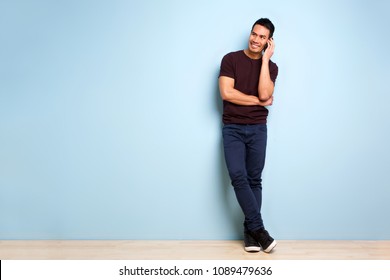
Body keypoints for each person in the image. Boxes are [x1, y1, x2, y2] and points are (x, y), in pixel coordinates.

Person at [218, 18, 278, 253]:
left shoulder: (271, 67)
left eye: (262, 37)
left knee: (254, 179)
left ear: (268, 41)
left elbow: (265, 91)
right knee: (238, 177)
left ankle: (250, 233)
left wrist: (265, 60)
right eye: (254, 34)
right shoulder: (230, 59)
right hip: (232, 127)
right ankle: (260, 230)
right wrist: (257, 101)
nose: (256, 39)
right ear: (250, 33)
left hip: (257, 128)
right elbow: (226, 93)